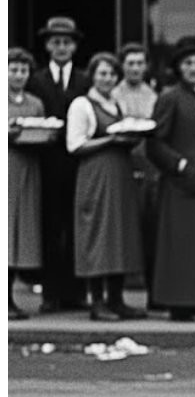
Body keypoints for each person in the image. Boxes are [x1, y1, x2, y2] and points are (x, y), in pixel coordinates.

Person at [147, 37, 195, 321]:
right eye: (188, 63)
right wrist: (179, 165)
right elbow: (155, 143)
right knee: (183, 245)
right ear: (179, 68)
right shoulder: (169, 97)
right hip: (181, 184)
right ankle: (180, 304)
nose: (194, 68)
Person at [65, 52, 145, 322]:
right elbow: (74, 145)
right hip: (95, 175)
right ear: (92, 75)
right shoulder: (82, 105)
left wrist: (131, 138)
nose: (107, 79)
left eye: (111, 74)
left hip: (119, 176)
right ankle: (97, 301)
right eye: (102, 73)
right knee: (97, 235)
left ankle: (117, 298)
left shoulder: (116, 104)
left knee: (119, 235)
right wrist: (110, 140)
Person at [28, 15, 90, 312]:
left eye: (67, 42)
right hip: (46, 163)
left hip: (78, 163)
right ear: (48, 46)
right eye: (56, 42)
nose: (61, 47)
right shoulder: (36, 80)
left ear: (74, 47)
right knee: (50, 228)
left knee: (78, 228)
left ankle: (75, 293)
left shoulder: (85, 80)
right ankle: (50, 294)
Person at [112, 42, 160, 309]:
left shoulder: (153, 95)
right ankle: (118, 294)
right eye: (130, 63)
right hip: (122, 162)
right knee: (122, 230)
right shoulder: (113, 93)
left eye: (140, 63)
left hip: (149, 164)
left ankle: (154, 293)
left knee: (150, 229)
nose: (135, 68)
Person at [8, 48, 45, 319]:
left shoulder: (35, 103)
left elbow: (41, 130)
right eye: (13, 70)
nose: (19, 75)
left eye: (23, 70)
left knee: (22, 233)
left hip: (28, 168)